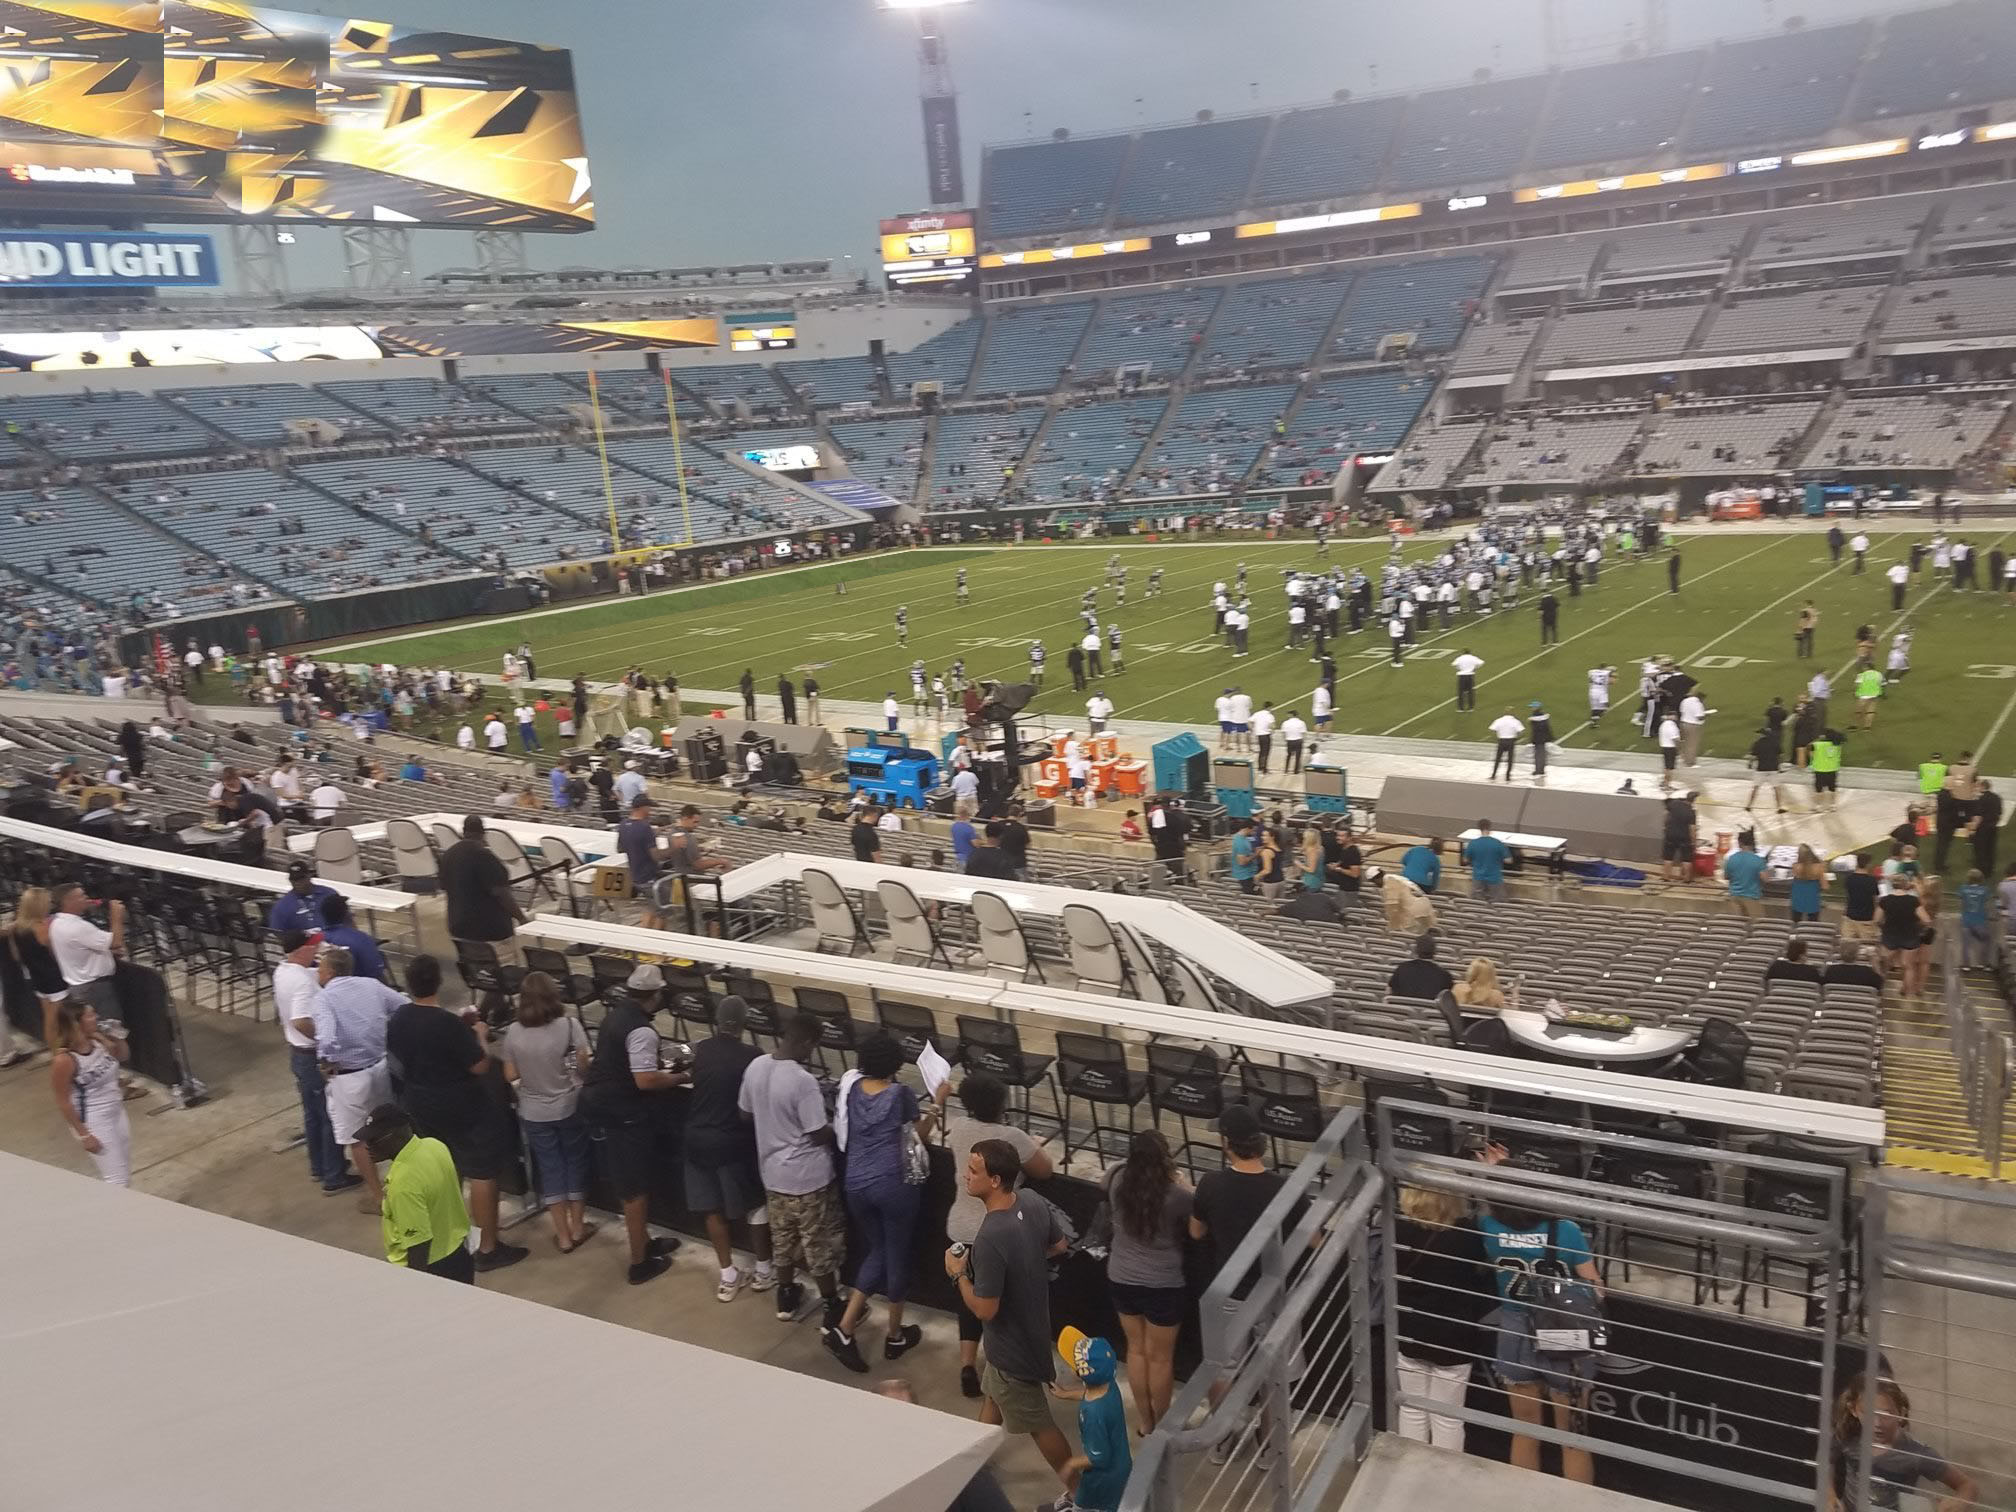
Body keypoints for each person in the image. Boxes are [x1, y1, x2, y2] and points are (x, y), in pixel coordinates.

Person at [387, 955, 526, 1271]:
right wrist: (478, 1034)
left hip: (419, 1102)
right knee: (481, 1170)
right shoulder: (446, 1023)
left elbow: (397, 1062)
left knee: (440, 1169)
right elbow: (479, 1065)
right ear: (438, 981)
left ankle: (447, 1235)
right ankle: (489, 1248)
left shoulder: (398, 1018)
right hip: (460, 1104)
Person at [946, 1138, 1074, 1485]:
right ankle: (968, 1464)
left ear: (995, 1181)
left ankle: (1084, 1496)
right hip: (1032, 1330)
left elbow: (985, 1310)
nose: (965, 1175)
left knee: (1038, 1423)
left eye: (973, 1171)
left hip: (1011, 1348)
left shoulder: (990, 1236)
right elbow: (1059, 1245)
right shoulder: (1032, 1200)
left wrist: (957, 1272)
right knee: (994, 1398)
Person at [828, 1031, 946, 1372]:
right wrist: (937, 1103)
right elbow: (917, 1139)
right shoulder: (899, 1094)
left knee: (877, 1251)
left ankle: (847, 1327)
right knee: (895, 1256)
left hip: (856, 1183)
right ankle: (891, 1335)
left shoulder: (852, 1090)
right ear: (895, 1064)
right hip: (893, 1185)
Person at [1477, 1198, 1603, 1483]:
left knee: (1525, 1429)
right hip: (1565, 1336)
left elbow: (1486, 1203)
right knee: (1573, 1439)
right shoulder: (1566, 1230)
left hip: (1515, 1333)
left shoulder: (1490, 1227)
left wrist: (1496, 1175)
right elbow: (1596, 1289)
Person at [945, 1073, 1055, 1398]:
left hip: (960, 1229)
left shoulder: (960, 1128)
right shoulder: (1011, 1137)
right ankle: (1005, 1371)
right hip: (997, 1232)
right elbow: (1045, 1170)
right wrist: (1031, 1143)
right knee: (1001, 1305)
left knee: (969, 1300)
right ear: (1001, 1104)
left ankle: (967, 1365)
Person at [579, 965, 685, 1284]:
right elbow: (645, 1080)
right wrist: (681, 1076)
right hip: (623, 1114)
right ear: (655, 996)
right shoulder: (641, 1030)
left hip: (609, 1107)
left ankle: (644, 1242)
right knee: (634, 1189)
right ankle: (639, 1262)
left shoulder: (615, 1016)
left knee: (633, 1184)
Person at [740, 1013, 847, 1329]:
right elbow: (817, 1132)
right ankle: (831, 1305)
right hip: (807, 1177)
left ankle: (785, 1296)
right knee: (817, 1244)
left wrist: (773, 1123)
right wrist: (838, 1127)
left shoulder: (756, 1066)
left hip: (772, 1173)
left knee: (783, 1239)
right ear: (806, 1042)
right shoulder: (802, 1081)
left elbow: (744, 1113)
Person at [682, 995, 774, 1300]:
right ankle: (763, 1270)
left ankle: (727, 1275)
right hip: (733, 1143)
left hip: (696, 1140)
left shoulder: (702, 1049)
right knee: (755, 1205)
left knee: (711, 1207)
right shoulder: (754, 1056)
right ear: (744, 1024)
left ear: (717, 1023)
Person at [499, 971, 597, 1255]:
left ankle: (563, 1235)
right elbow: (582, 1065)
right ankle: (579, 1226)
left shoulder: (514, 1032)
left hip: (533, 1111)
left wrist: (529, 1087)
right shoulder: (569, 1025)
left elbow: (510, 1073)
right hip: (569, 1106)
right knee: (575, 1162)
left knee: (551, 1167)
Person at [1393, 1182, 1494, 1450]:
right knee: (1448, 1418)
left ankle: (1409, 1467)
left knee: (1411, 1408)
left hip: (1409, 1327)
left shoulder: (1398, 1230)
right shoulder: (1468, 1234)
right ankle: (1443, 1476)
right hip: (1455, 1334)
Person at [1103, 1130, 1192, 1432]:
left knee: (1136, 1350)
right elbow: (1194, 1222)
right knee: (1161, 1359)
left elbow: (1106, 1179)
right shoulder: (1176, 1195)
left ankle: (1145, 1422)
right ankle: (1164, 1426)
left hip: (1122, 1278)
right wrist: (1182, 1182)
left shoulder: (1116, 1181)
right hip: (1163, 1284)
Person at [311, 945, 401, 1212]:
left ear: (328, 971)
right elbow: (402, 1005)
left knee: (357, 1138)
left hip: (349, 1077)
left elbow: (326, 1039)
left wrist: (325, 1061)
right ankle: (404, 1185)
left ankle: (379, 1198)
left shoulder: (324, 999)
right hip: (380, 1068)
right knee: (388, 1128)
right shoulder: (371, 985)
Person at [273, 929, 356, 1195]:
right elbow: (300, 1019)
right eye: (314, 947)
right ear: (302, 951)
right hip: (311, 1055)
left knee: (312, 1114)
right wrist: (324, 1041)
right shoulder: (304, 984)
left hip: (296, 1053)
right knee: (329, 1116)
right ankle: (334, 1176)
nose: (317, 950)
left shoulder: (284, 971)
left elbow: (316, 973)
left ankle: (318, 1166)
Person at [356, 1104, 474, 1284]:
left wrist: (414, 1287)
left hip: (433, 1268)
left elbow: (419, 1244)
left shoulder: (404, 1182)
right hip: (460, 1253)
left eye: (375, 1140)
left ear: (396, 1135)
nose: (368, 1147)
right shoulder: (434, 1145)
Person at [1830, 1374, 1978, 1512]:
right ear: (1853, 1410)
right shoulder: (1847, 1435)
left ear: (1901, 1413)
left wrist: (1960, 1502)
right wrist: (1828, 1494)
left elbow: (1967, 1485)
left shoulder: (1916, 1453)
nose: (1877, 1423)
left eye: (1886, 1414)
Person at [1046, 1328, 1133, 1512]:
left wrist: (1070, 1464)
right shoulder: (1109, 1383)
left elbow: (1099, 1457)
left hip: (1102, 1477)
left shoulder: (1092, 1414)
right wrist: (1065, 1394)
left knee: (1087, 1505)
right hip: (1121, 1465)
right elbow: (1088, 1393)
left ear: (1077, 1372)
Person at [48, 998, 130, 1185]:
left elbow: (123, 1056)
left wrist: (118, 1038)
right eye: (91, 1015)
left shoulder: (99, 1042)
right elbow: (63, 1100)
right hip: (95, 1119)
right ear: (77, 1023)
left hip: (117, 1110)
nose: (96, 1017)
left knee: (124, 1170)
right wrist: (84, 1135)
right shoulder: (65, 1060)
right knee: (117, 1180)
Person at [437, 816, 526, 964]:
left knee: (474, 970)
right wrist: (521, 918)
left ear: (463, 832)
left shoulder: (448, 855)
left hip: (458, 925)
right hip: (488, 929)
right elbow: (501, 893)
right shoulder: (484, 856)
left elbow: (443, 886)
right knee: (501, 969)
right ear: (483, 833)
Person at [49, 882, 124, 1035]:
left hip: (78, 987)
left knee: (91, 1033)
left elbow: (81, 947)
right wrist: (116, 917)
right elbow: (116, 941)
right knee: (113, 1034)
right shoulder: (79, 927)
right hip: (95, 989)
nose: (87, 898)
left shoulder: (56, 922)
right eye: (82, 896)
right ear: (69, 902)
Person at [7, 886, 69, 1054]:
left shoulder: (16, 928)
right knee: (57, 1020)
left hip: (38, 979)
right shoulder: (42, 928)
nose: (50, 904)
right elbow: (54, 952)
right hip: (54, 980)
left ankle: (55, 1050)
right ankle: (58, 1053)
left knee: (49, 1018)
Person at [317, 893, 387, 983]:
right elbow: (375, 973)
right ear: (347, 914)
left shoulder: (313, 940)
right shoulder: (361, 939)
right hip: (359, 991)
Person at [1879, 875, 1930, 997]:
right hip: (1910, 935)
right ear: (1906, 885)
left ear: (1892, 885)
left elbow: (1876, 918)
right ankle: (1906, 992)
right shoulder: (1913, 901)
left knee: (1884, 964)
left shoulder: (1885, 900)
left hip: (1889, 935)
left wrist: (1884, 926)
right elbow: (1926, 919)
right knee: (1908, 966)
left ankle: (1879, 988)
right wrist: (1917, 925)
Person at [267, 861, 339, 933]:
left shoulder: (329, 894)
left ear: (309, 876)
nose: (298, 883)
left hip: (333, 940)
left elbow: (345, 919)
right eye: (294, 879)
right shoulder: (282, 906)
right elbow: (277, 933)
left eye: (301, 878)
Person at [1389, 935, 1455, 1000]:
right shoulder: (1445, 976)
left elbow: (1390, 992)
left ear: (1415, 950)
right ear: (1435, 952)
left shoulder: (1402, 968)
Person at [1724, 830, 1767, 919]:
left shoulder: (1731, 859)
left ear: (1739, 843)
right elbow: (1765, 878)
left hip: (1734, 897)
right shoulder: (1758, 860)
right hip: (1751, 898)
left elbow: (1726, 876)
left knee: (1736, 927)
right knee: (1756, 926)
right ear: (1752, 844)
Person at [1959, 869, 1995, 970]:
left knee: (1966, 943)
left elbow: (1961, 905)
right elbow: (1987, 906)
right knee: (1986, 939)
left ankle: (1966, 965)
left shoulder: (1963, 888)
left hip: (1966, 920)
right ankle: (1983, 963)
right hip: (1980, 921)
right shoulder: (1985, 890)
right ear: (1981, 878)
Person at [1465, 820, 1510, 901]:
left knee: (1475, 904)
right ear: (1490, 828)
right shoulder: (1498, 843)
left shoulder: (1473, 843)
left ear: (1479, 828)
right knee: (1499, 904)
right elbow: (1508, 860)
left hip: (1478, 878)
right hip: (1495, 878)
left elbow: (1465, 859)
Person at [1788, 845, 1828, 923]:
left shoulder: (1795, 867)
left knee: (1796, 921)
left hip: (1797, 898)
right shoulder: (1819, 867)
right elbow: (1825, 886)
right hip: (1812, 898)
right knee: (1813, 924)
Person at [1487, 708, 1522, 781]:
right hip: (1511, 741)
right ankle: (1507, 776)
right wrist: (1516, 738)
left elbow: (1492, 729)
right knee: (1510, 759)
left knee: (1498, 759)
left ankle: (1493, 774)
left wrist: (1497, 737)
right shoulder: (1515, 721)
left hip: (1501, 741)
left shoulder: (1499, 720)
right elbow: (1521, 731)